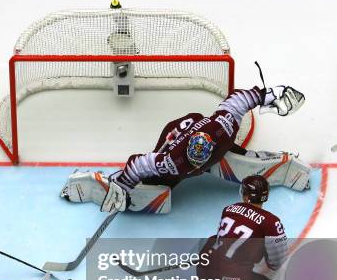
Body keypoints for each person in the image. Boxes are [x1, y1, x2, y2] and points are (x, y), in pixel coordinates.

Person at [60, 85, 309, 214]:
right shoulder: (173, 161)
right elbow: (140, 162)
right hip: (175, 135)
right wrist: (124, 184)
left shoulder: (224, 125)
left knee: (242, 165)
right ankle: (95, 184)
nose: (197, 167)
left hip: (198, 131)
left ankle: (286, 168)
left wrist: (270, 94)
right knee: (156, 184)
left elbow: (240, 100)